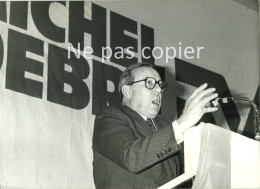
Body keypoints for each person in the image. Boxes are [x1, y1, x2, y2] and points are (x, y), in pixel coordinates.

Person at [92, 63, 218, 189]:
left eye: (160, 85)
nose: (158, 90)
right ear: (127, 91)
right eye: (150, 83)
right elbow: (131, 158)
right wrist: (183, 122)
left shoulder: (168, 128)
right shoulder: (109, 117)